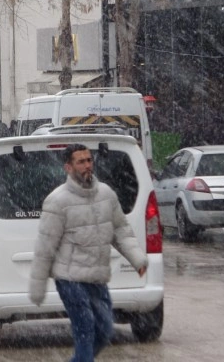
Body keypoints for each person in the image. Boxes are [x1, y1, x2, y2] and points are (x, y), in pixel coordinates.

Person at [28, 144, 148, 361]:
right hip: (70, 279)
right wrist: (37, 286)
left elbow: (121, 231)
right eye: (80, 162)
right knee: (85, 329)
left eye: (89, 160)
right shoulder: (58, 201)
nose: (86, 166)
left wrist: (137, 259)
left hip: (97, 277)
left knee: (104, 330)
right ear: (68, 167)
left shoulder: (106, 194)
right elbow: (45, 247)